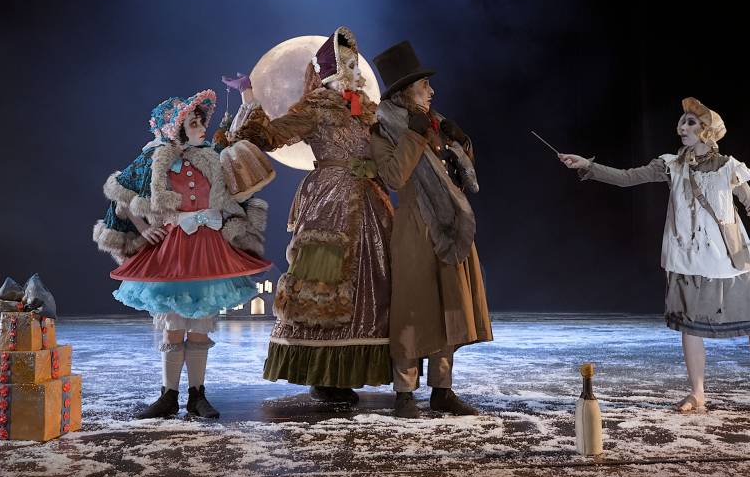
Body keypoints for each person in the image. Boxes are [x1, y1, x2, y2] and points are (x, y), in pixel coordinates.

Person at [558, 97, 750, 412]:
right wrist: (588, 166)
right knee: (691, 326)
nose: (681, 127)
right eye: (682, 121)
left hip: (731, 255)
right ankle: (697, 393)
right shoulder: (671, 165)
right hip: (690, 257)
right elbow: (628, 177)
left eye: (690, 122)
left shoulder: (729, 167)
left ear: (707, 132)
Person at [229, 27, 393, 404]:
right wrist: (249, 96)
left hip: (369, 201)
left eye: (355, 62)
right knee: (324, 281)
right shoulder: (317, 105)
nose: (354, 69)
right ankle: (323, 375)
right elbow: (270, 136)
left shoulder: (367, 111)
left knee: (373, 283)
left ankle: (356, 369)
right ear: (330, 68)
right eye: (346, 62)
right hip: (328, 205)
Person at [93, 89, 272, 419]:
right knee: (174, 325)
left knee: (201, 324)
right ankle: (168, 395)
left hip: (208, 247)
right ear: (176, 127)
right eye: (193, 121)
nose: (201, 125)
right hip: (175, 249)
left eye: (201, 120)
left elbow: (240, 158)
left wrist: (246, 94)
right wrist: (144, 227)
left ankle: (197, 395)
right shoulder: (156, 159)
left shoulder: (213, 157)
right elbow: (120, 197)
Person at [369, 40, 493, 418]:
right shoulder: (383, 129)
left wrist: (461, 141)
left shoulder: (434, 122)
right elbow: (393, 175)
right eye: (425, 86)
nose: (432, 91)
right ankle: (405, 392)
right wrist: (414, 135)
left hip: (448, 221)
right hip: (414, 225)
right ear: (407, 91)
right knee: (413, 306)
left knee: (449, 305)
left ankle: (442, 389)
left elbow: (462, 178)